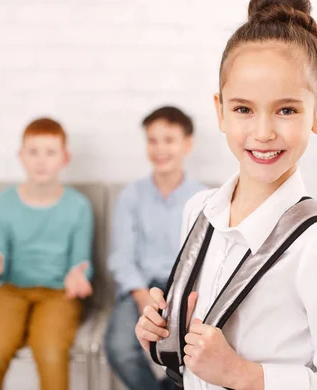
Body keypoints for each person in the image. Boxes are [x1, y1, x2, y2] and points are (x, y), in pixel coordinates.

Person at [134, 0, 317, 388]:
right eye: (244, 109)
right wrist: (163, 335)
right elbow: (198, 353)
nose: (263, 132)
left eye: (286, 111)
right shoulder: (198, 212)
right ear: (220, 111)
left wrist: (241, 374)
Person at [0, 117, 94, 390]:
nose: (41, 160)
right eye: (33, 152)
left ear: (65, 158)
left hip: (58, 295)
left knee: (51, 353)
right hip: (11, 290)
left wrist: (79, 276)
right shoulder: (4, 203)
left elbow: (81, 261)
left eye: (50, 152)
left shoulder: (78, 206)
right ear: (21, 156)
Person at [104, 106, 206, 390]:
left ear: (187, 144)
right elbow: (121, 257)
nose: (160, 149)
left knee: (189, 355)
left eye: (169, 140)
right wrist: (140, 296)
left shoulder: (203, 199)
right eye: (153, 140)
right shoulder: (131, 196)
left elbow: (204, 257)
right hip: (139, 288)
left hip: (184, 291)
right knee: (120, 348)